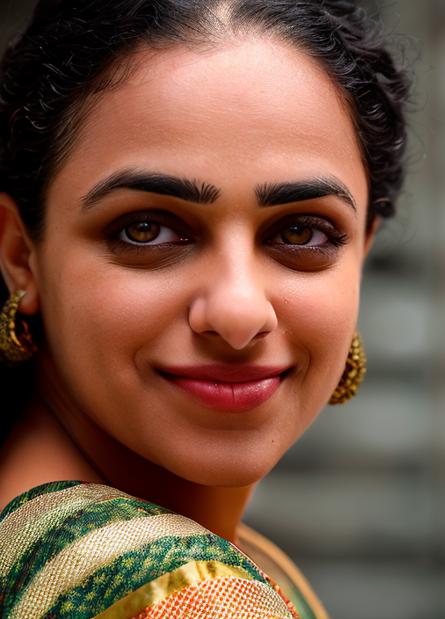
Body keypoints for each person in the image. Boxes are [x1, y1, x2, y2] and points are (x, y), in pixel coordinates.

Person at [0, 0, 409, 617]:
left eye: (301, 233)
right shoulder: (187, 595)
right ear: (20, 255)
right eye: (146, 230)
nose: (239, 313)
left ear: (364, 249)